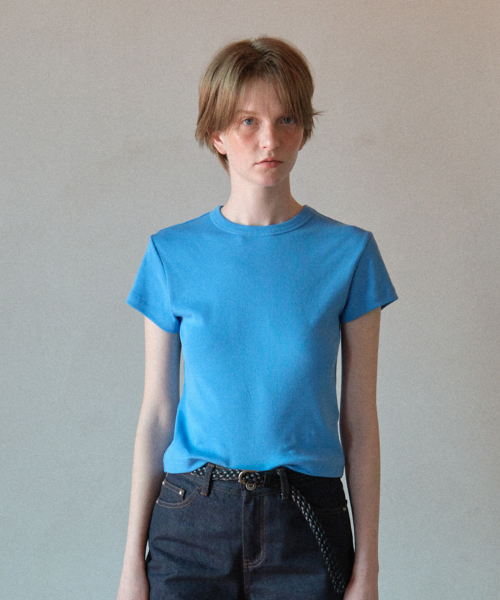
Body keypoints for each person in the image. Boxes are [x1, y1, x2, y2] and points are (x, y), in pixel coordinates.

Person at [117, 36, 398, 600]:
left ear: (303, 129)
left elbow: (360, 421)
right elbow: (158, 414)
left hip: (307, 523)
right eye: (248, 121)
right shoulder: (171, 254)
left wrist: (367, 569)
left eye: (286, 119)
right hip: (189, 525)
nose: (270, 139)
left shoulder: (349, 254)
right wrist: (132, 567)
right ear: (216, 134)